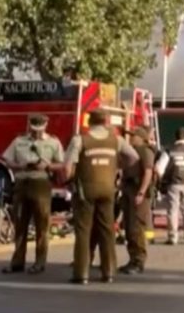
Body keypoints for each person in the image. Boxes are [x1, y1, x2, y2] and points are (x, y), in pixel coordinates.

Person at [65, 111, 139, 284]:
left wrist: (68, 181)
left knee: (84, 231)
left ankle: (81, 274)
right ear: (106, 122)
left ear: (89, 122)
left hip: (86, 191)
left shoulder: (80, 140)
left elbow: (68, 168)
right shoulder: (116, 140)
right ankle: (109, 272)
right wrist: (116, 166)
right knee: (107, 230)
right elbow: (134, 158)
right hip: (108, 189)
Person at [2, 114, 65, 275]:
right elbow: (7, 159)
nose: (36, 133)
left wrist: (48, 166)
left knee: (42, 224)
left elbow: (62, 163)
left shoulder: (53, 142)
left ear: (45, 126)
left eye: (39, 130)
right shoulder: (19, 141)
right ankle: (17, 262)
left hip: (41, 184)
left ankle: (40, 262)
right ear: (29, 126)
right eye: (33, 129)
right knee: (20, 224)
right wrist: (18, 165)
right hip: (22, 182)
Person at [119, 126, 156, 274]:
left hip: (137, 192)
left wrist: (141, 192)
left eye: (133, 136)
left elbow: (148, 172)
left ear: (140, 137)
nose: (131, 138)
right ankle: (132, 258)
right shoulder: (133, 151)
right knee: (129, 227)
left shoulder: (145, 151)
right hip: (129, 190)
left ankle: (139, 261)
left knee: (137, 227)